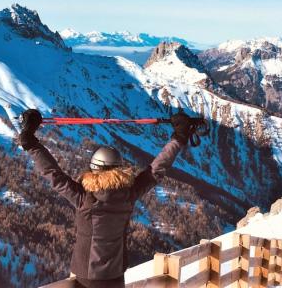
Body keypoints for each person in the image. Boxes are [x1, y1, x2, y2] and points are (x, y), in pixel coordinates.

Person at [18, 109, 194, 288]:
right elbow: (156, 169)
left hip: (87, 277)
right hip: (116, 275)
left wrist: (31, 143)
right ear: (119, 168)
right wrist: (178, 137)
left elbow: (53, 174)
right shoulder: (129, 194)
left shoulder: (84, 198)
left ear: (94, 168)